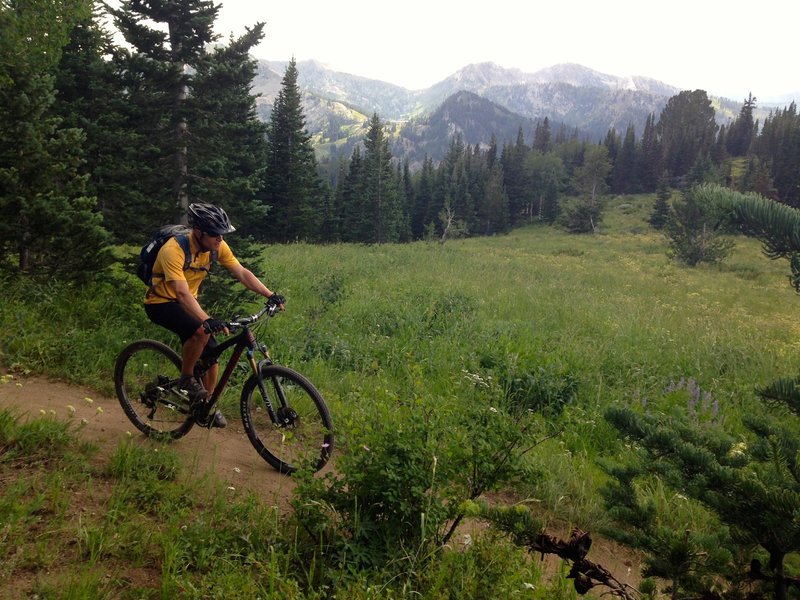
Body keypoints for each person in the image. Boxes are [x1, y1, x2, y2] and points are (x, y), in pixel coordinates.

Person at [144, 202, 284, 428]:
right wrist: (206, 320)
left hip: (187, 301)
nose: (220, 239)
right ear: (198, 232)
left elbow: (241, 272)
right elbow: (180, 292)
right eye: (215, 235)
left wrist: (270, 294)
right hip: (161, 303)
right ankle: (187, 379)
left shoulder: (217, 246)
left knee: (212, 353)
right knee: (202, 331)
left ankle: (205, 405)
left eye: (222, 234)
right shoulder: (174, 249)